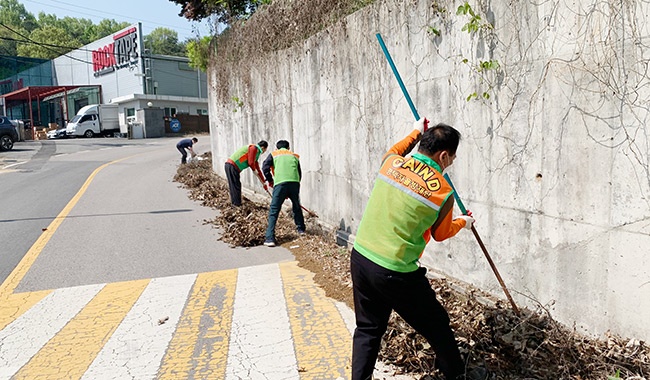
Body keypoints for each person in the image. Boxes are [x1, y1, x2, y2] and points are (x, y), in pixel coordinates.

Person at [350, 118, 486, 380]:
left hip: (361, 257)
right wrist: (464, 222)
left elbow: (398, 148)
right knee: (437, 325)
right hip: (395, 272)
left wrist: (415, 130)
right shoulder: (443, 192)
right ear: (443, 155)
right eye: (452, 159)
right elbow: (440, 233)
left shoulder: (391, 162)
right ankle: (456, 374)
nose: (451, 165)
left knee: (367, 329)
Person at [261, 140, 306, 247]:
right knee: (296, 206)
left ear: (277, 148)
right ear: (288, 148)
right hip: (294, 183)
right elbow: (299, 173)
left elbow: (265, 167)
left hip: (280, 183)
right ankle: (301, 229)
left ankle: (269, 238)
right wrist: (293, 186)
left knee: (274, 209)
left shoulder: (274, 154)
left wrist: (270, 180)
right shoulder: (294, 155)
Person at [225, 140, 269, 206]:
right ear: (263, 148)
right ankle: (236, 204)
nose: (264, 152)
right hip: (231, 166)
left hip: (234, 168)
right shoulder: (253, 148)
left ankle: (236, 203)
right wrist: (254, 170)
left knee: (236, 185)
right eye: (265, 150)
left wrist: (264, 183)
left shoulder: (256, 155)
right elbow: (251, 162)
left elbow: (258, 170)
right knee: (235, 186)